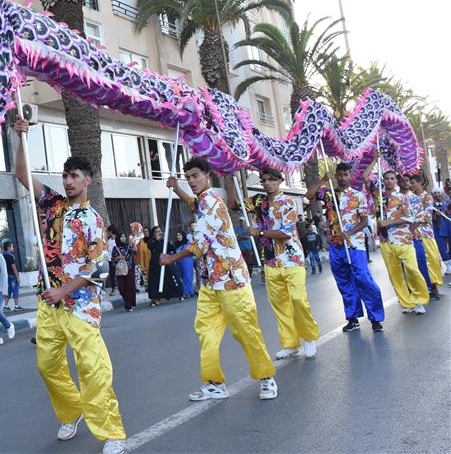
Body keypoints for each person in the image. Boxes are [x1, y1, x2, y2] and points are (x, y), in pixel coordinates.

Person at [14, 117, 127, 454]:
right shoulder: (52, 204)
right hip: (48, 301)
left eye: (74, 175)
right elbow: (22, 175)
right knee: (46, 365)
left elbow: (98, 267)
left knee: (93, 369)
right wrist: (20, 136)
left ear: (87, 180)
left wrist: (64, 290)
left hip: (80, 305)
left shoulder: (94, 220)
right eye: (65, 175)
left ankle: (112, 433)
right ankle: (70, 412)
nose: (68, 180)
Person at [161, 158, 278, 402]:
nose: (191, 181)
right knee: (206, 332)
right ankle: (214, 383)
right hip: (210, 282)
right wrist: (177, 188)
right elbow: (193, 204)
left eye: (195, 176)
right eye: (188, 177)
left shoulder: (213, 202)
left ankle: (266, 377)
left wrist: (171, 259)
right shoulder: (202, 202)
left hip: (231, 280)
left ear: (208, 177)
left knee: (245, 330)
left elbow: (200, 245)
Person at [230, 168, 319, 359]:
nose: (267, 183)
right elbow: (233, 205)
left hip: (292, 259)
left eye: (271, 179)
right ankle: (290, 344)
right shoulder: (258, 202)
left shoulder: (288, 202)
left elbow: (286, 233)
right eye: (264, 180)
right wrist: (230, 177)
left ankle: (309, 338)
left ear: (279, 181)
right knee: (280, 305)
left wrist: (259, 232)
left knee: (298, 300)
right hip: (270, 261)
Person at [305, 162, 385, 332]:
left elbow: (365, 221)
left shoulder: (358, 195)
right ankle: (353, 318)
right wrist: (323, 180)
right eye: (339, 174)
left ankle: (376, 318)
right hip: (335, 245)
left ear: (350, 176)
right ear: (335, 175)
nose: (342, 178)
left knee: (363, 279)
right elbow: (308, 195)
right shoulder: (328, 194)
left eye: (345, 174)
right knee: (344, 282)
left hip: (354, 244)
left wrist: (349, 233)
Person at [377, 170, 429, 315]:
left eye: (392, 178)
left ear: (396, 181)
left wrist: (389, 222)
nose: (389, 181)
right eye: (386, 178)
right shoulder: (378, 198)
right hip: (385, 241)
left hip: (403, 239)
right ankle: (406, 302)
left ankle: (419, 300)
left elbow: (410, 218)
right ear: (383, 180)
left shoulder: (402, 197)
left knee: (412, 270)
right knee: (395, 274)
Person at [409, 173, 443, 300]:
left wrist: (414, 221)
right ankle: (422, 287)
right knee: (418, 261)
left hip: (425, 232)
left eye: (413, 183)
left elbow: (427, 214)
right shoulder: (409, 197)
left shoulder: (427, 197)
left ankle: (434, 286)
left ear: (420, 183)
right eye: (409, 183)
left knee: (431, 259)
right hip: (412, 234)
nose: (411, 185)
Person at [146, 225, 183, 305]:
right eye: (156, 232)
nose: (159, 233)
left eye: (159, 231)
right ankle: (156, 299)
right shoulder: (151, 240)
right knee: (156, 281)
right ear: (153, 234)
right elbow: (150, 246)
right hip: (155, 264)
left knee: (172, 277)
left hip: (166, 262)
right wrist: (156, 240)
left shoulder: (164, 240)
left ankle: (179, 294)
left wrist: (170, 244)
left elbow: (172, 248)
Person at [112, 232, 137, 311]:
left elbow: (135, 252)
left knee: (130, 287)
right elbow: (112, 260)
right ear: (118, 238)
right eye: (121, 236)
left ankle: (128, 305)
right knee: (121, 288)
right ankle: (127, 301)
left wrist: (133, 244)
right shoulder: (115, 248)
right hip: (120, 271)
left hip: (129, 269)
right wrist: (118, 257)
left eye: (124, 236)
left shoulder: (128, 246)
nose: (123, 238)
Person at [2, 241, 23, 311]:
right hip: (12, 276)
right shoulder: (11, 256)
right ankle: (16, 306)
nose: (13, 248)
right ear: (9, 247)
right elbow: (13, 267)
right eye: (12, 246)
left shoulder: (2, 255)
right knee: (15, 290)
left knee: (8, 291)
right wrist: (17, 277)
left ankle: (5, 306)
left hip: (6, 276)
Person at [173, 231, 195, 298]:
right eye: (177, 235)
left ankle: (187, 292)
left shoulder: (188, 244)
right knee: (181, 277)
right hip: (179, 263)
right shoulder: (176, 244)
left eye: (180, 235)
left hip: (187, 262)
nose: (178, 237)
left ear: (183, 236)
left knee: (187, 277)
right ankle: (188, 291)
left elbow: (192, 252)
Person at [106, 225, 118, 295]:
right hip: (111, 260)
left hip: (117, 260)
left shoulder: (117, 239)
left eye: (108, 231)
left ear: (111, 232)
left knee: (119, 274)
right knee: (112, 275)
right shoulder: (109, 240)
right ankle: (114, 289)